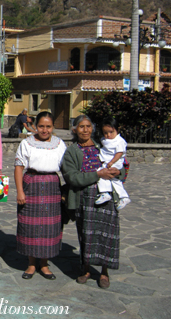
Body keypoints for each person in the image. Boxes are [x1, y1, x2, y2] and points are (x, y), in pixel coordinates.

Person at [61, 115, 124, 289]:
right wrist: (97, 175)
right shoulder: (71, 152)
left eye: (88, 126)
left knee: (107, 234)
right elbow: (72, 177)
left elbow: (122, 165)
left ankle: (104, 272)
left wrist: (119, 173)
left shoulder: (102, 146)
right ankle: (86, 269)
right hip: (84, 198)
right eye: (81, 126)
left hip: (107, 197)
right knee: (86, 234)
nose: (85, 130)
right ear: (75, 130)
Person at [14, 112, 66, 280]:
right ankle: (30, 264)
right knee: (30, 224)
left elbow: (66, 168)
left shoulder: (59, 144)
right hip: (31, 185)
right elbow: (19, 167)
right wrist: (20, 191)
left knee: (49, 226)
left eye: (48, 126)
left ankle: (44, 264)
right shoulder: (26, 143)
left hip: (52, 187)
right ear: (36, 126)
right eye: (41, 126)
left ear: (53, 127)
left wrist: (66, 192)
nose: (44, 130)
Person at [95, 117, 131, 211]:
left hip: (114, 163)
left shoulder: (119, 141)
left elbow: (119, 153)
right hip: (107, 162)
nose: (108, 135)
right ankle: (120, 196)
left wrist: (112, 162)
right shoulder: (104, 140)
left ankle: (107, 192)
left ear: (117, 129)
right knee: (110, 178)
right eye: (106, 133)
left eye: (111, 132)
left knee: (104, 175)